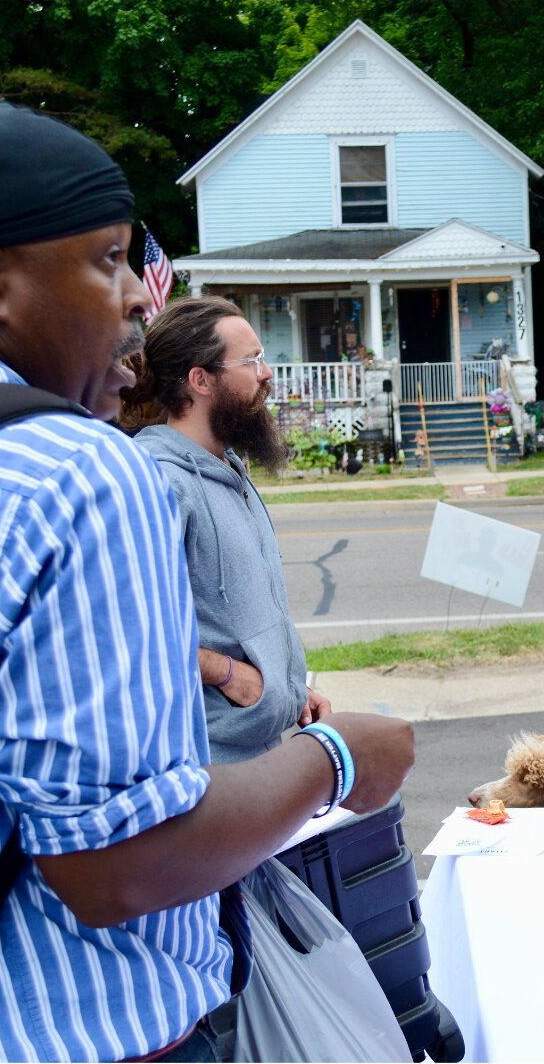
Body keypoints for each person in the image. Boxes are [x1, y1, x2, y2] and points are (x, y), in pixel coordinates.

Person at [0, 99, 413, 1061]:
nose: (137, 302)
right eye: (107, 261)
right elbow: (117, 864)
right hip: (88, 1034)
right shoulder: (76, 473)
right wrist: (338, 761)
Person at [124, 296, 326, 764]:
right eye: (251, 360)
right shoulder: (161, 482)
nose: (267, 373)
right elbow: (127, 630)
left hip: (257, 749)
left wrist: (290, 688)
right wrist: (227, 673)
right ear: (200, 380)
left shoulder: (228, 469)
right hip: (205, 762)